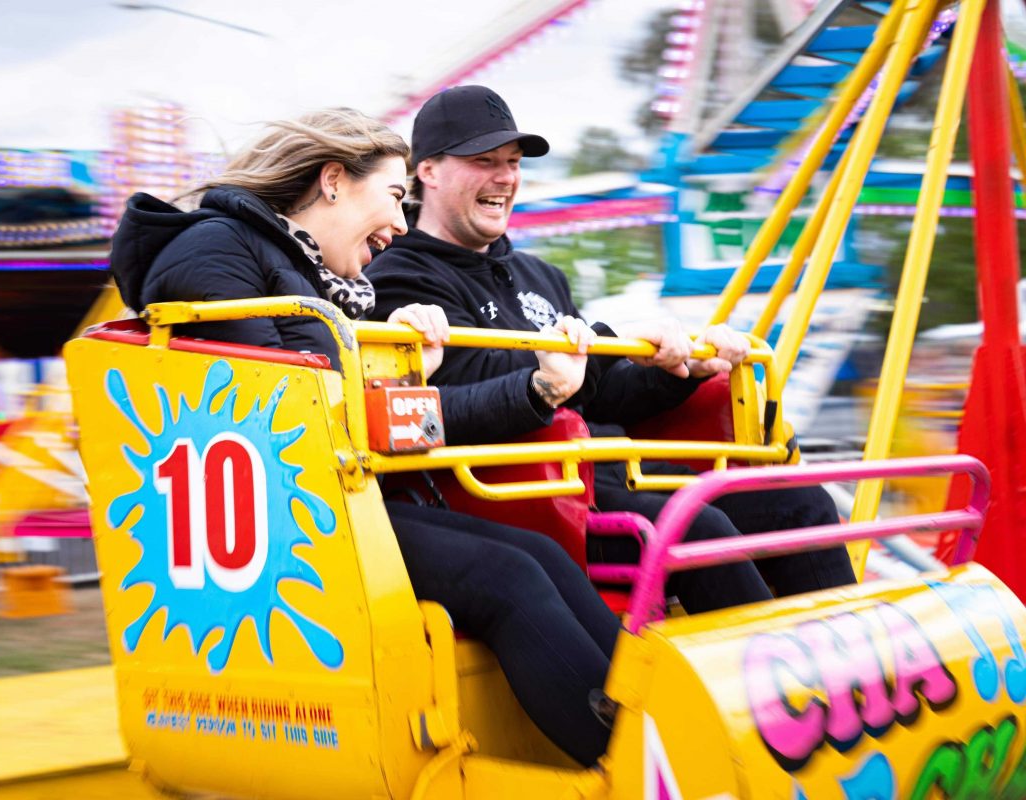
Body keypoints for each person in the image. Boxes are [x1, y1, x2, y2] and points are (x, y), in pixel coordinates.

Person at [107, 108, 619, 766]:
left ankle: (649, 711)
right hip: (277, 519)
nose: (403, 225)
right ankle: (623, 758)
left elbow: (358, 410)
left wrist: (422, 373)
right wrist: (403, 381)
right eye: (394, 197)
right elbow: (279, 414)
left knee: (537, 554)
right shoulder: (214, 251)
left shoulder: (312, 278)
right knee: (507, 576)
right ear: (332, 182)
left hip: (325, 495)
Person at [366, 86, 857, 613]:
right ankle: (763, 680)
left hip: (615, 471)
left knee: (800, 503)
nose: (505, 177)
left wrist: (677, 370)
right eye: (484, 161)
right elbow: (478, 379)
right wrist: (603, 343)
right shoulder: (401, 279)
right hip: (528, 499)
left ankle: (855, 664)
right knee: (692, 524)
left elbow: (601, 397)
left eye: (511, 162)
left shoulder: (539, 274)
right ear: (429, 171)